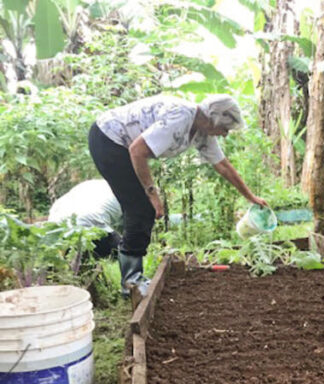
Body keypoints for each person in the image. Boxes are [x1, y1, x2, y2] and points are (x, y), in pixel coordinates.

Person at [88, 94, 268, 297]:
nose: (225, 134)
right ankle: (131, 283)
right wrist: (152, 194)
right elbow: (137, 150)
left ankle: (133, 279)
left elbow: (224, 167)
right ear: (213, 119)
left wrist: (250, 197)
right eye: (224, 129)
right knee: (141, 208)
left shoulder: (202, 131)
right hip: (108, 139)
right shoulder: (181, 117)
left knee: (140, 209)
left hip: (121, 145)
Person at [48, 179, 123, 259]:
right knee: (125, 250)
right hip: (85, 226)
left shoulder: (95, 183)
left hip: (55, 227)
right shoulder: (124, 193)